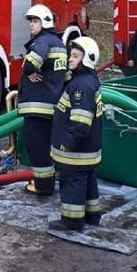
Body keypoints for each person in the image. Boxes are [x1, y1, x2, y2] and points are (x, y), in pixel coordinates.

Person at [49, 36, 103, 232]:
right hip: (88, 151)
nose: (70, 59)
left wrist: (68, 142)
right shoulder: (86, 81)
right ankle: (92, 215)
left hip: (76, 152)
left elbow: (81, 121)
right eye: (70, 55)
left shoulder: (81, 86)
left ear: (85, 59)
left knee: (72, 183)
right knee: (88, 182)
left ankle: (71, 221)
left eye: (74, 56)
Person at [17, 3, 67, 196]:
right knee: (46, 146)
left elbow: (30, 64)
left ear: (44, 22)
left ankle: (43, 186)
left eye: (35, 21)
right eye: (30, 21)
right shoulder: (59, 43)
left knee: (37, 147)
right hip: (51, 105)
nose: (31, 25)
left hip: (38, 106)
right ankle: (45, 181)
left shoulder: (43, 42)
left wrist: (29, 71)